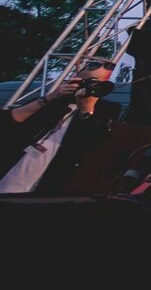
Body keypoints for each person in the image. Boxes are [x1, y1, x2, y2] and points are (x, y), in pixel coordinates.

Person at [0, 58, 120, 194]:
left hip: (50, 183)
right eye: (88, 82)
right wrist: (51, 97)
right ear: (75, 79)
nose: (91, 87)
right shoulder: (55, 100)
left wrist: (86, 109)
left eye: (98, 84)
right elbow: (11, 120)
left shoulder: (106, 109)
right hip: (13, 171)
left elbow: (95, 140)